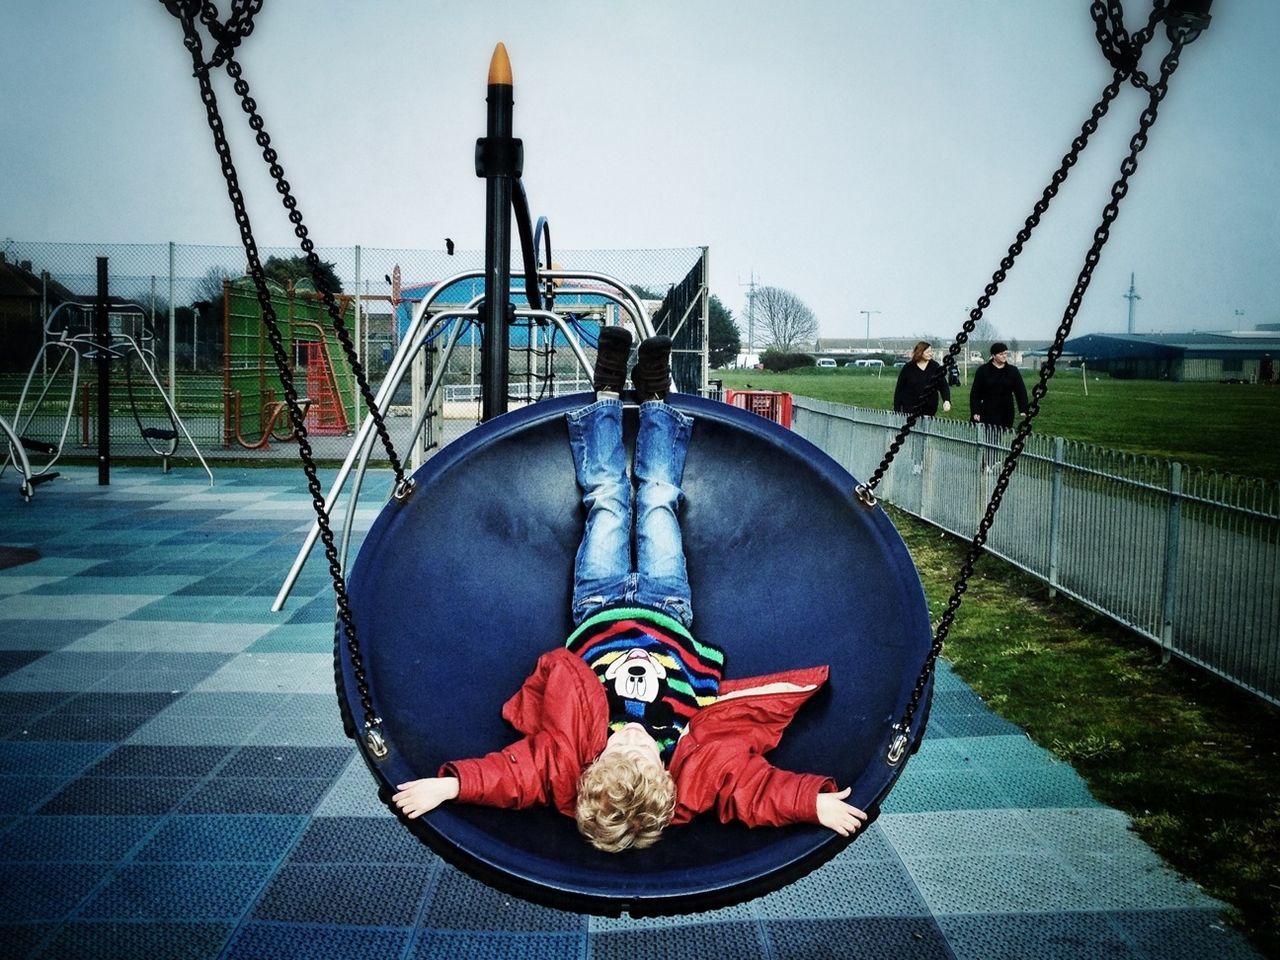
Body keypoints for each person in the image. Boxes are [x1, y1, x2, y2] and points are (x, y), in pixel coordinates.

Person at [392, 329, 868, 852]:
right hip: (668, 607)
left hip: (597, 605)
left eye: (619, 751)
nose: (636, 739)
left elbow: (515, 777)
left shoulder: (568, 758)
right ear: (669, 782)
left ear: (590, 768)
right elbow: (748, 789)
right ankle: (657, 397)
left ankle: (605, 394)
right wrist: (811, 801)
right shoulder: (689, 768)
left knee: (608, 500)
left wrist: (450, 784)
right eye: (645, 756)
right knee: (661, 501)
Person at [969, 342, 1029, 429]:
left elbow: (1020, 391)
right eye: (1001, 354)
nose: (1004, 356)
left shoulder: (1012, 371)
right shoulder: (983, 371)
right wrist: (975, 411)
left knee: (1000, 436)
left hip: (1006, 410)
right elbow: (975, 393)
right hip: (988, 409)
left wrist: (1023, 409)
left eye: (1005, 353)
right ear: (993, 356)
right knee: (989, 437)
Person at [893, 341, 953, 416]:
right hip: (910, 409)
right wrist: (897, 410)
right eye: (927, 352)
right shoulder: (908, 368)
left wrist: (946, 400)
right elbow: (899, 390)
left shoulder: (935, 367)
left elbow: (943, 386)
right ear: (920, 352)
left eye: (931, 351)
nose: (931, 354)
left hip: (929, 410)